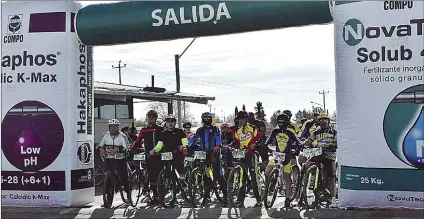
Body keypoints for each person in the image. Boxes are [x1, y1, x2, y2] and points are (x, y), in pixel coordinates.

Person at [186, 112, 228, 204]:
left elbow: (218, 137)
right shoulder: (199, 130)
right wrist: (187, 145)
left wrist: (218, 145)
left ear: (211, 119)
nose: (207, 120)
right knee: (205, 175)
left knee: (218, 175)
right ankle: (207, 196)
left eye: (208, 118)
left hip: (214, 153)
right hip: (204, 153)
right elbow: (194, 138)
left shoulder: (215, 128)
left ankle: (226, 196)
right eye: (205, 118)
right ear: (202, 119)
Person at [264, 113, 301, 207]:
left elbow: (298, 143)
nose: (280, 124)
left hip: (287, 157)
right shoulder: (275, 131)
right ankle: (272, 184)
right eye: (279, 122)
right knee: (267, 171)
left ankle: (288, 199)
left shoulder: (291, 132)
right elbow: (268, 140)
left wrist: (295, 150)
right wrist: (265, 145)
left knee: (287, 179)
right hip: (276, 155)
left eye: (282, 122)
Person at [302, 113, 338, 208]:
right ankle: (303, 190)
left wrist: (333, 144)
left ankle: (334, 200)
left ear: (328, 122)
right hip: (319, 154)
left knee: (331, 179)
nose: (323, 122)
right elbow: (309, 140)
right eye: (321, 120)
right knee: (306, 164)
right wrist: (303, 144)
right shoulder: (316, 132)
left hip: (330, 156)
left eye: (325, 120)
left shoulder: (333, 132)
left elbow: (337, 142)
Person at [130, 110, 164, 205]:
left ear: (156, 119)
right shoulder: (144, 129)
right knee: (152, 176)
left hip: (158, 155)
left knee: (159, 175)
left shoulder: (160, 129)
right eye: (149, 118)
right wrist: (132, 148)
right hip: (148, 155)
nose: (150, 120)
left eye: (152, 118)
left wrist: (156, 151)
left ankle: (161, 192)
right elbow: (138, 140)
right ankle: (155, 196)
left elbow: (162, 142)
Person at [98, 119, 131, 204]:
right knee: (108, 177)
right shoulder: (105, 135)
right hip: (109, 158)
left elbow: (127, 147)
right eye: (111, 127)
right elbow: (99, 145)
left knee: (124, 177)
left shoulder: (122, 136)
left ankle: (128, 194)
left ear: (118, 127)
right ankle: (108, 198)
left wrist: (118, 149)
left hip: (120, 159)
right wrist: (101, 150)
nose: (113, 129)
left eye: (115, 127)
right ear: (109, 127)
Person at [233, 110, 261, 207]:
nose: (240, 121)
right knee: (242, 178)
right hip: (242, 154)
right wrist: (230, 146)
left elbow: (260, 139)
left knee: (253, 177)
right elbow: (236, 142)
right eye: (239, 119)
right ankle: (240, 199)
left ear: (246, 119)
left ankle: (258, 199)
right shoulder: (237, 130)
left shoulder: (252, 128)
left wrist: (255, 144)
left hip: (251, 154)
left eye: (242, 119)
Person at [150, 114, 188, 180]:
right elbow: (159, 145)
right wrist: (154, 150)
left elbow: (185, 142)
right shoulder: (163, 133)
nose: (170, 123)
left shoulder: (180, 131)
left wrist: (183, 146)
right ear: (166, 123)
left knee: (180, 169)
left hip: (177, 154)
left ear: (175, 123)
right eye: (168, 121)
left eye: (172, 121)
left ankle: (183, 181)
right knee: (167, 171)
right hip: (167, 155)